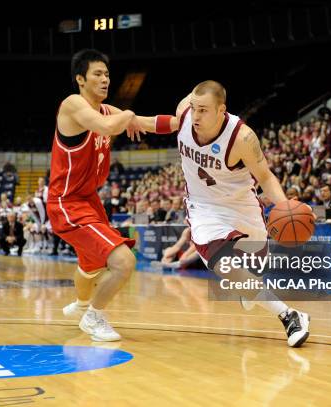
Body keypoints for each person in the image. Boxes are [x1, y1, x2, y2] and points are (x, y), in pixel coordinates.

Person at [140, 80, 311, 347]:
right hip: (204, 209)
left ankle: (250, 285)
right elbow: (168, 122)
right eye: (194, 108)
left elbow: (265, 177)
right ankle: (290, 315)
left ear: (222, 110)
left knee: (250, 275)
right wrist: (133, 121)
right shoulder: (186, 113)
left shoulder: (242, 137)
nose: (196, 116)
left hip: (242, 207)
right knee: (225, 265)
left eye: (204, 110)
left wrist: (285, 206)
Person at [47, 49, 147, 342]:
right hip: (66, 202)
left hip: (88, 199)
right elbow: (111, 125)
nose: (105, 79)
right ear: (80, 79)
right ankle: (93, 316)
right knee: (124, 262)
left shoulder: (106, 110)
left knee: (90, 266)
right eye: (98, 74)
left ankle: (80, 306)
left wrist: (189, 123)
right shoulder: (73, 104)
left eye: (107, 74)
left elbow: (144, 123)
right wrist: (128, 114)